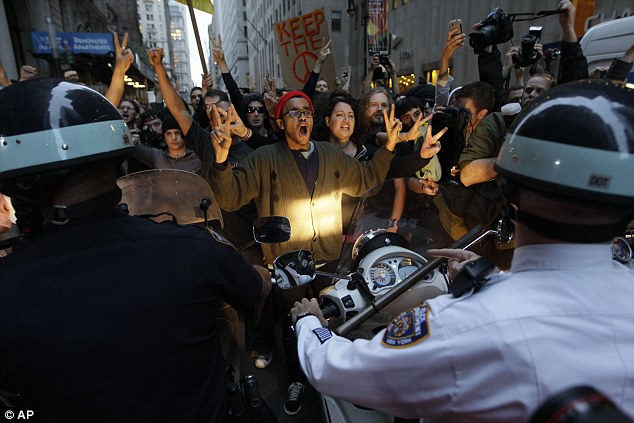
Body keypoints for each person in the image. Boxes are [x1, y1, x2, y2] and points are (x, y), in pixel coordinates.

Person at [291, 79, 634, 422]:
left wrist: (310, 323)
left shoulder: (462, 324)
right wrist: (492, 282)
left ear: (508, 191)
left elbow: (339, 371)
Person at [0, 78, 267, 422]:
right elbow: (255, 286)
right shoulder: (193, 250)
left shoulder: (9, 288)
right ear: (119, 162)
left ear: (21, 190)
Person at [209, 89, 444, 416]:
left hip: (332, 262)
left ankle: (335, 381)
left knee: (339, 318)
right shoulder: (263, 159)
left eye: (306, 110)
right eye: (293, 112)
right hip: (288, 262)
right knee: (295, 324)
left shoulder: (331, 155)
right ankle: (297, 379)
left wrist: (396, 148)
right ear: (280, 122)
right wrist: (221, 161)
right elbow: (230, 197)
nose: (302, 116)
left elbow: (367, 178)